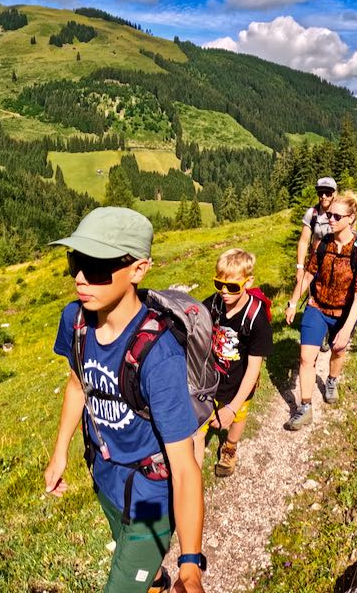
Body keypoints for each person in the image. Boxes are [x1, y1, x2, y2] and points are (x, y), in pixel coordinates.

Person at [43, 207, 207, 593]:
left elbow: (185, 468)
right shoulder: (76, 320)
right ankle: (154, 579)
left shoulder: (159, 357)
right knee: (140, 568)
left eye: (97, 266)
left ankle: (155, 573)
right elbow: (77, 383)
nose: (81, 278)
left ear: (138, 270)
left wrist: (190, 567)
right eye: (75, 261)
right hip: (105, 478)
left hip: (151, 498)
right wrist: (60, 451)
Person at [282, 190, 357, 430]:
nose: (330, 219)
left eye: (336, 216)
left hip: (343, 312)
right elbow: (309, 275)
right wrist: (292, 303)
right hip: (317, 307)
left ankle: (331, 380)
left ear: (351, 218)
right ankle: (305, 407)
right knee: (305, 357)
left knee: (338, 351)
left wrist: (348, 328)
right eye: (329, 215)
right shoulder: (322, 244)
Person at [192, 248, 273, 478]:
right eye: (219, 284)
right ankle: (193, 479)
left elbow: (254, 369)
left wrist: (232, 406)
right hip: (210, 380)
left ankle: (230, 447)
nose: (224, 292)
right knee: (198, 429)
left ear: (248, 282)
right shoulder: (214, 303)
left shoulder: (256, 319)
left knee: (237, 419)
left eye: (233, 287)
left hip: (239, 382)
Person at [297, 176, 337, 352]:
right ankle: (313, 333)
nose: (324, 197)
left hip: (336, 266)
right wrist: (300, 267)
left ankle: (330, 331)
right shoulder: (312, 214)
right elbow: (304, 241)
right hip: (315, 265)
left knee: (332, 298)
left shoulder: (340, 214)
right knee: (313, 296)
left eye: (328, 193)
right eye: (321, 193)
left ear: (334, 194)